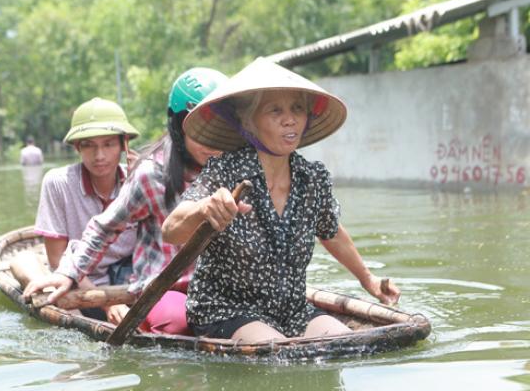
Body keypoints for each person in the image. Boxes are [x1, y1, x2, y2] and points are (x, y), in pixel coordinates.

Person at [161, 57, 401, 343]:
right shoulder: (226, 171)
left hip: (291, 310)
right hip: (226, 310)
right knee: (277, 352)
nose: (290, 119)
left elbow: (331, 232)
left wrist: (368, 280)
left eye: (297, 109)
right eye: (275, 110)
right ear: (249, 122)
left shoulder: (312, 178)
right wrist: (204, 209)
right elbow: (171, 230)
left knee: (348, 344)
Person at [24, 68, 229, 335]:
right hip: (161, 286)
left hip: (218, 286)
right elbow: (102, 230)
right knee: (178, 323)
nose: (211, 141)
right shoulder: (151, 175)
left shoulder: (238, 167)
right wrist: (68, 275)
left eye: (220, 129)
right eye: (200, 130)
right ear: (180, 128)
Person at [34, 97, 139, 323]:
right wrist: (106, 302)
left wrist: (143, 185)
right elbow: (57, 260)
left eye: (109, 144)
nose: (99, 156)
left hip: (131, 281)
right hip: (79, 282)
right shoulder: (58, 183)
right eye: (89, 145)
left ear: (124, 145)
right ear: (77, 147)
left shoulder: (141, 180)